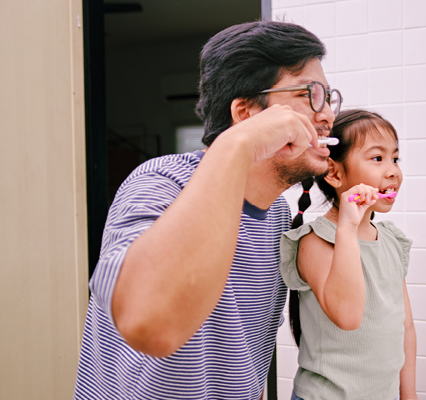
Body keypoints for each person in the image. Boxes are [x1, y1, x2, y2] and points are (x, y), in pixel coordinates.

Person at [74, 21, 342, 399]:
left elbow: (244, 355)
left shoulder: (280, 217)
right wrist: (238, 145)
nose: (327, 114)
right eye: (309, 94)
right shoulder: (162, 181)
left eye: (329, 97)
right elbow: (151, 324)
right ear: (246, 114)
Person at [279, 110, 418, 400]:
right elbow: (347, 316)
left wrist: (409, 395)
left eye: (395, 158)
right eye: (377, 158)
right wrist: (348, 226)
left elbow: (405, 327)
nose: (393, 170)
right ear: (334, 172)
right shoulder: (315, 241)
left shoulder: (391, 240)